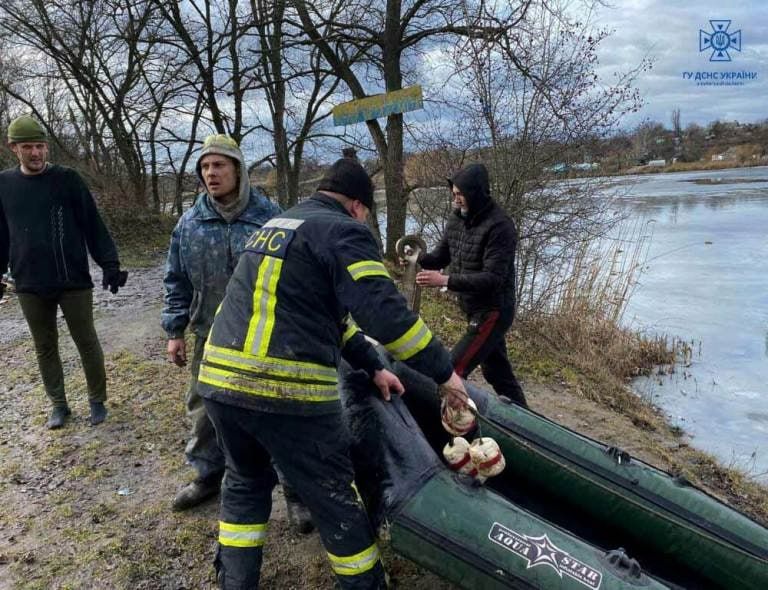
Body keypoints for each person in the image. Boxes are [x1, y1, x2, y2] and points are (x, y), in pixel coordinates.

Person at [196, 158, 468, 589]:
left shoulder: (279, 224)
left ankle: (235, 582)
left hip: (220, 385)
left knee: (246, 481)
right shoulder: (345, 231)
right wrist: (445, 374)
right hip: (287, 392)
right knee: (333, 494)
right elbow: (385, 315)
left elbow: (329, 317)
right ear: (358, 206)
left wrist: (374, 367)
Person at [161, 134, 284, 513]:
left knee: (276, 410)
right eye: (205, 167)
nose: (211, 174)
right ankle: (207, 475)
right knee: (203, 409)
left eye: (219, 165)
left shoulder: (270, 217)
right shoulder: (190, 223)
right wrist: (174, 331)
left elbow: (292, 274)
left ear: (238, 170)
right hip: (210, 334)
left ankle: (295, 490)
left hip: (262, 334)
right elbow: (176, 279)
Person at [0, 115, 127, 429]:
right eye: (28, 147)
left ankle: (97, 400)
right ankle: (59, 404)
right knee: (45, 346)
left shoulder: (68, 179)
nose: (36, 153)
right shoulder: (4, 184)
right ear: (13, 147)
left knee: (86, 340)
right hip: (29, 281)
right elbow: (2, 234)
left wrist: (109, 264)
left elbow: (92, 225)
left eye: (40, 146)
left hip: (72, 279)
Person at [414, 162, 528, 407]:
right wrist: (418, 258)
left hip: (493, 311)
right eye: (453, 194)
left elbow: (492, 279)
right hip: (472, 307)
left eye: (460, 195)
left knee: (453, 369)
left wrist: (444, 280)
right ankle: (531, 428)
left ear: (475, 193)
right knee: (497, 373)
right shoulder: (456, 220)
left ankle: (451, 428)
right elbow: (441, 256)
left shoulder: (500, 226)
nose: (456, 200)